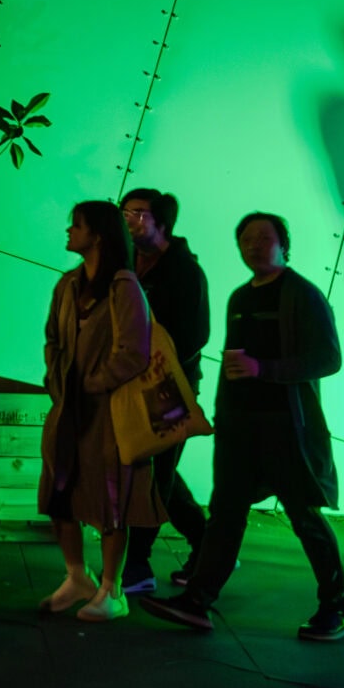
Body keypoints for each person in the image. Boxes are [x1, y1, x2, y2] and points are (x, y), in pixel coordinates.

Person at [139, 213, 344, 641]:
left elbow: (329, 359)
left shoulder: (304, 296)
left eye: (264, 238)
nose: (254, 245)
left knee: (304, 516)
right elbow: (231, 367)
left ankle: (336, 607)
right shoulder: (239, 297)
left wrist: (265, 368)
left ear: (284, 244)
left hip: (288, 431)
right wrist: (223, 417)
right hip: (241, 430)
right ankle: (197, 602)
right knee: (225, 514)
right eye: (246, 239)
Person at [37, 199, 157, 622]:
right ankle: (77, 575)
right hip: (68, 408)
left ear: (98, 235)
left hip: (107, 414)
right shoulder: (68, 284)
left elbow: (133, 353)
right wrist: (57, 381)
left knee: (111, 500)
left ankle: (112, 588)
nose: (69, 231)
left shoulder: (123, 286)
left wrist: (91, 382)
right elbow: (52, 339)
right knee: (59, 495)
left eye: (78, 225)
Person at [119, 188, 211, 590]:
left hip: (168, 386)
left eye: (138, 213)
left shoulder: (185, 271)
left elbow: (195, 336)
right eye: (125, 212)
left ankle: (137, 565)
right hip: (130, 381)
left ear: (162, 222)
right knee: (157, 471)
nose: (128, 219)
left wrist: (152, 360)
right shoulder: (127, 261)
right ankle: (210, 547)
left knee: (154, 475)